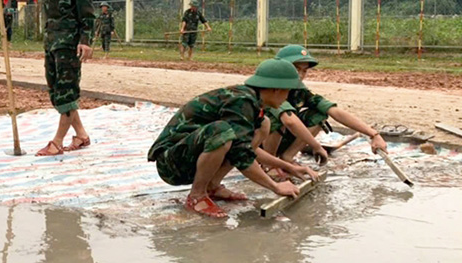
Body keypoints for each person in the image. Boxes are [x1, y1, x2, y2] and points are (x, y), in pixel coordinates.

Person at [147, 59, 321, 218]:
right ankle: (197, 196)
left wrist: (290, 167)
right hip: (171, 164)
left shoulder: (254, 103)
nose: (287, 98)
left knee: (263, 124)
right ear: (277, 89)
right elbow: (242, 156)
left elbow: (249, 150)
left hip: (189, 157)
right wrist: (274, 186)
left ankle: (212, 186)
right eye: (288, 92)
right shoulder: (242, 102)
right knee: (221, 132)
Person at [10, 0, 95, 156]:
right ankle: (81, 135)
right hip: (51, 39)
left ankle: (57, 142)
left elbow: (87, 10)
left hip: (69, 41)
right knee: (56, 89)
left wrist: (85, 40)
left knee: (67, 90)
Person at [262, 45, 388, 166]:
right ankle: (270, 165)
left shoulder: (299, 90)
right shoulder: (271, 89)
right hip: (254, 147)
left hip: (278, 140)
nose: (300, 75)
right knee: (276, 120)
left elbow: (334, 111)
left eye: (304, 70)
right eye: (296, 69)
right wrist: (316, 146)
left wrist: (373, 134)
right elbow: (289, 121)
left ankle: (287, 158)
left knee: (319, 115)